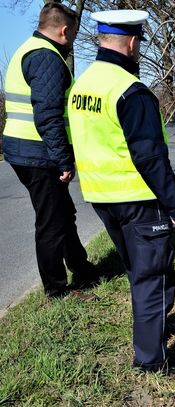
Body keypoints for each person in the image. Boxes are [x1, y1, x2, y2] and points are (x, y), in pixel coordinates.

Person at [67, 9, 175, 373]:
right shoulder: (130, 91)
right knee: (151, 276)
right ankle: (151, 361)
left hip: (101, 198)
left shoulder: (81, 86)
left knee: (141, 269)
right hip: (138, 198)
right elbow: (151, 158)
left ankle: (154, 331)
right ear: (133, 43)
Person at [2, 3, 100, 298]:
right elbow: (47, 115)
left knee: (62, 213)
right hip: (37, 153)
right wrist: (64, 160)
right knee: (51, 221)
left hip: (27, 149)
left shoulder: (29, 49)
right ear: (64, 30)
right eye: (72, 33)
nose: (72, 40)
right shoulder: (46, 57)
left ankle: (82, 269)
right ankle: (56, 290)